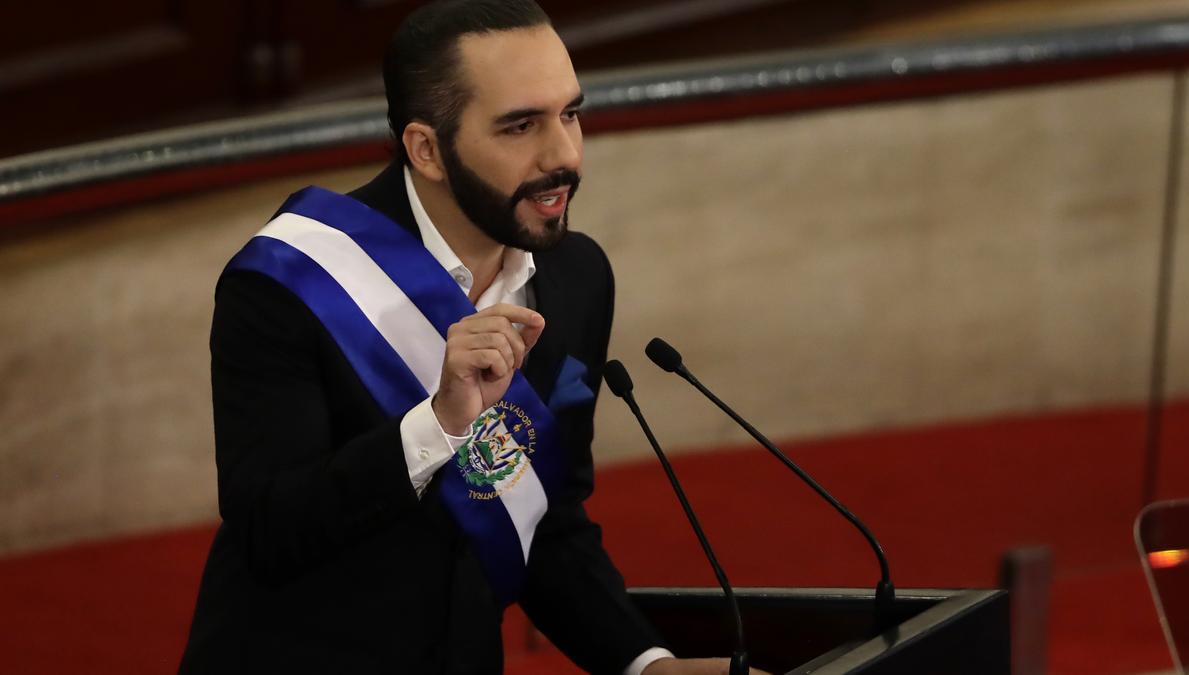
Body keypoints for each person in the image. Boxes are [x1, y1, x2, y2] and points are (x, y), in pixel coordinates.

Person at [179, 1, 764, 673]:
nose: (565, 155)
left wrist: (648, 663)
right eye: (521, 126)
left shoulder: (576, 278)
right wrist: (437, 424)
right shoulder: (286, 281)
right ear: (426, 148)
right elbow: (269, 531)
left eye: (570, 114)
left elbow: (545, 515)